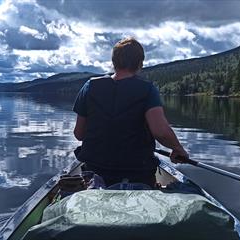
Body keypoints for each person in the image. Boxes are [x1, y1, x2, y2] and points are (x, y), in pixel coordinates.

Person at [72, 37, 189, 187]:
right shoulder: (147, 90)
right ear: (140, 64)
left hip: (94, 172)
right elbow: (160, 131)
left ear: (114, 62)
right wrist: (177, 148)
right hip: (137, 173)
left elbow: (79, 134)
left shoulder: (90, 86)